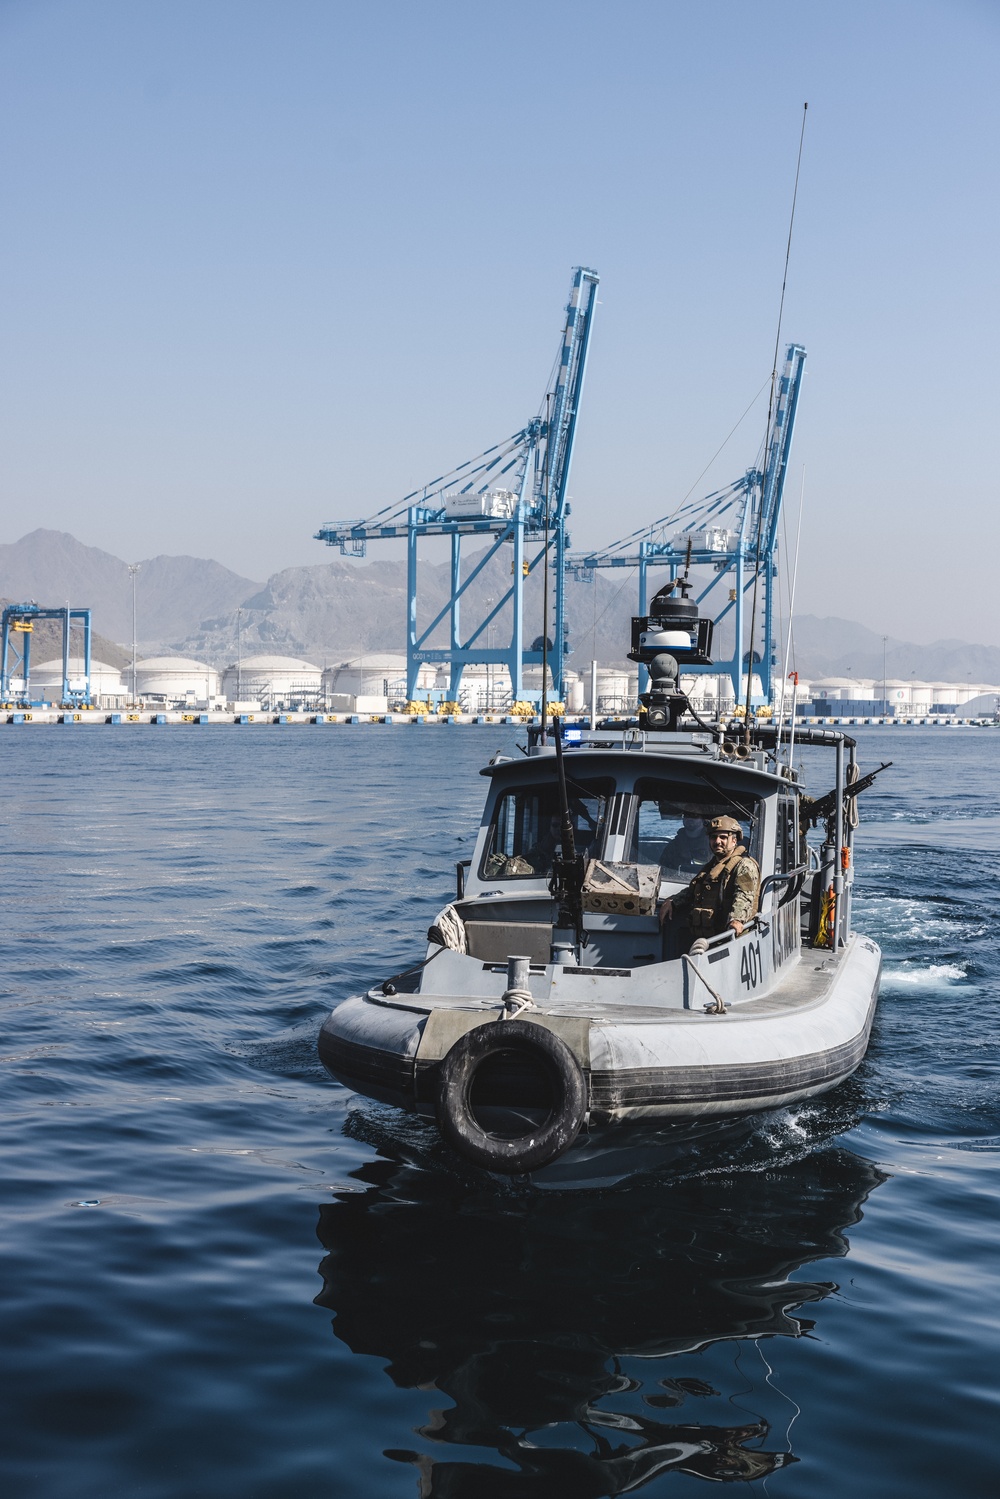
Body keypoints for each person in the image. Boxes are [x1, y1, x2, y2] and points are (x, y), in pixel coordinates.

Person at [659, 815, 760, 947]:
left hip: (730, 940)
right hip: (709, 937)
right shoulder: (712, 866)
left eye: (723, 837)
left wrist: (736, 919)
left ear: (734, 841)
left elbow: (744, 896)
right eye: (713, 837)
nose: (717, 841)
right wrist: (673, 902)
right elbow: (694, 890)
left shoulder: (744, 865)